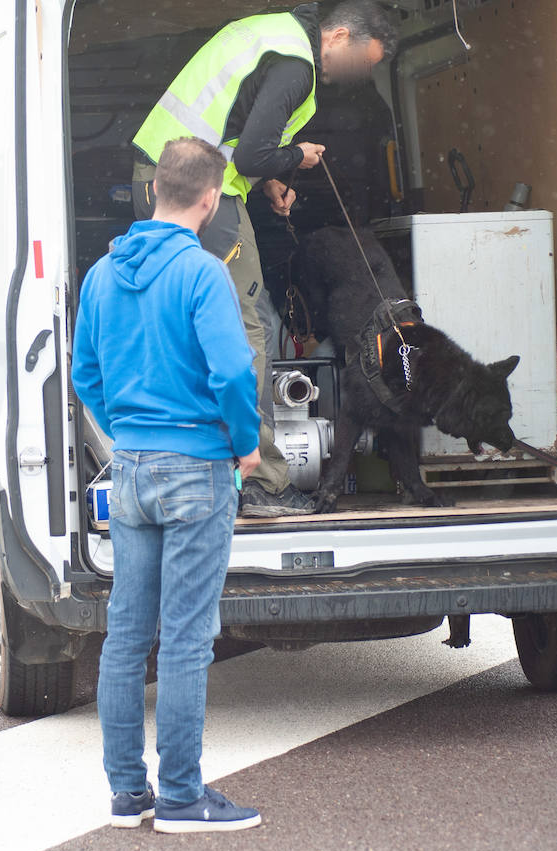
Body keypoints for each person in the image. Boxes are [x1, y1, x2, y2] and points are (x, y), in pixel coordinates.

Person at [130, 0, 398, 517]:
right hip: (196, 191)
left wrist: (266, 179)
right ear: (339, 35)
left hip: (170, 179)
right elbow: (252, 152)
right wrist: (297, 156)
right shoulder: (296, 64)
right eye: (363, 61)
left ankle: (194, 466)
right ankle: (261, 481)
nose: (361, 74)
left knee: (190, 326)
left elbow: (235, 137)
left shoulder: (271, 34)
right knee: (244, 329)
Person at [72, 137, 264, 833]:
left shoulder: (101, 275)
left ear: (155, 189)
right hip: (198, 468)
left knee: (126, 636)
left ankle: (129, 794)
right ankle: (182, 796)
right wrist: (245, 444)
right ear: (210, 199)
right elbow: (233, 373)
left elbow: (84, 375)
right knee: (185, 638)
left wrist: (127, 430)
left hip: (132, 468)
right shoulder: (204, 273)